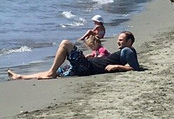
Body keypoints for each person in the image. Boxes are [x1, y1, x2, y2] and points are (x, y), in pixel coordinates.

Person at [7, 31, 140, 80]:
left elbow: (136, 68)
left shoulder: (127, 50)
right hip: (87, 66)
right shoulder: (125, 52)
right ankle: (21, 77)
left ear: (129, 41)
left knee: (65, 43)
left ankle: (51, 73)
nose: (118, 41)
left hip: (87, 68)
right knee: (56, 71)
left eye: (121, 40)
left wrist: (117, 67)